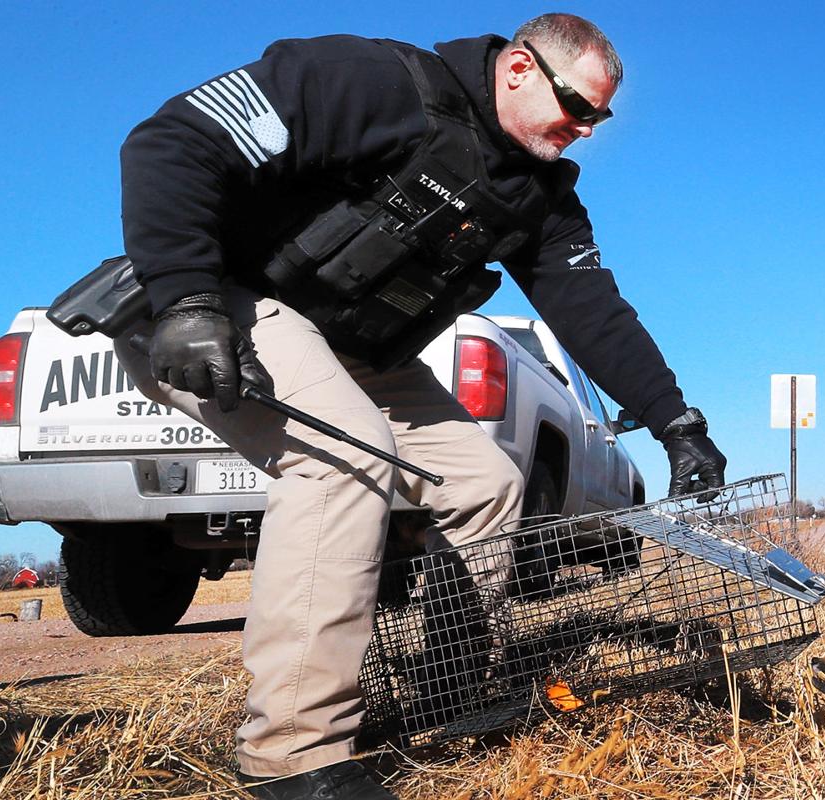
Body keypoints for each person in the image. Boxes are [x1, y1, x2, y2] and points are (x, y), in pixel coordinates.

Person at [115, 13, 726, 799]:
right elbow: (174, 139)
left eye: (596, 119)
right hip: (221, 307)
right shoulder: (375, 83)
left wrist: (678, 421)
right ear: (517, 68)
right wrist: (187, 297)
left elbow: (594, 310)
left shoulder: (536, 198)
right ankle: (294, 757)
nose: (584, 130)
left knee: (486, 484)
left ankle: (448, 693)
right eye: (575, 106)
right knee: (349, 461)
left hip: (358, 352)